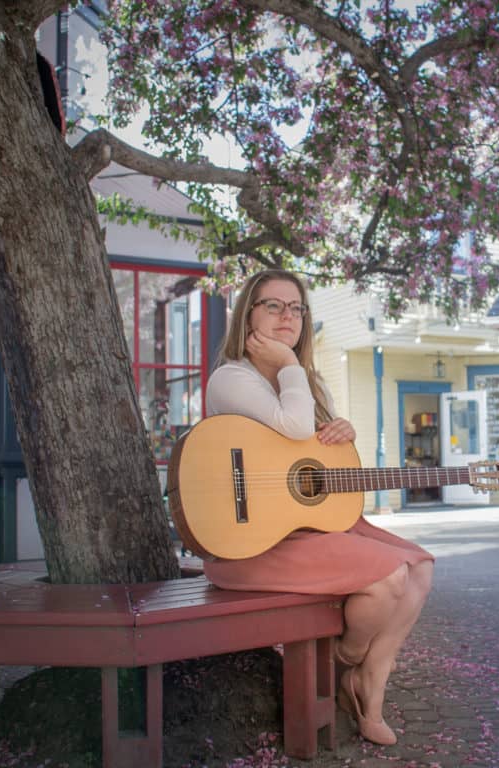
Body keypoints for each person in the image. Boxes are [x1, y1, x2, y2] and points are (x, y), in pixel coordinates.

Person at [203, 268, 434, 747]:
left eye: (297, 308)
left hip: (302, 525)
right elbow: (291, 427)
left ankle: (370, 683)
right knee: (387, 578)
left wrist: (339, 436)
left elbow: (305, 458)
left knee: (421, 568)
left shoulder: (308, 383)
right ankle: (343, 663)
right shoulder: (232, 379)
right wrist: (289, 365)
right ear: (249, 314)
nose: (288, 316)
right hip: (249, 542)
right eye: (274, 306)